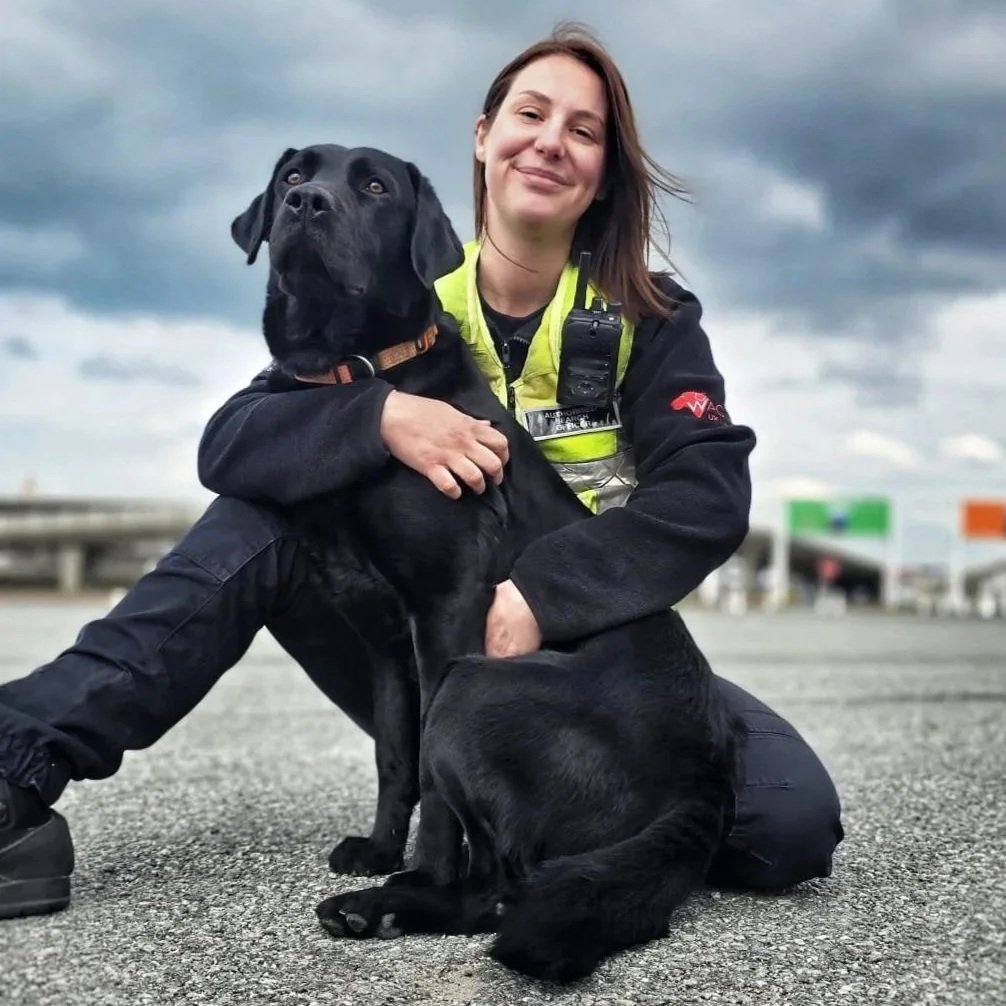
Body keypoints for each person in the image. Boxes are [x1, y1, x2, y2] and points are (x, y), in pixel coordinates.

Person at [0, 24, 843, 920]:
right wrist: (379, 416)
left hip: (588, 661)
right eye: (530, 112)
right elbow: (234, 441)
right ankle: (17, 762)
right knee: (265, 509)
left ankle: (528, 813)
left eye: (584, 130)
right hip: (423, 655)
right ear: (484, 137)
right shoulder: (398, 294)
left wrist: (546, 594)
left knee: (783, 826)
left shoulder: (647, 316)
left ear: (604, 171)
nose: (551, 140)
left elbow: (705, 498)